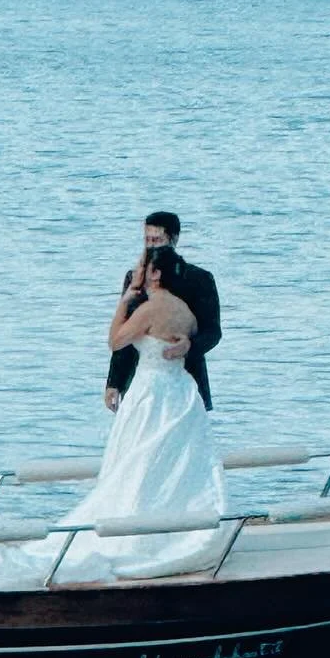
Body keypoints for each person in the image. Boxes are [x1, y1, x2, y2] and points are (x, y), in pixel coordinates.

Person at [61, 244, 228, 581]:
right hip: (181, 393)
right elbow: (197, 339)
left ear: (155, 273)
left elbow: (116, 341)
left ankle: (133, 533)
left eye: (142, 265)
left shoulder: (149, 310)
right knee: (173, 464)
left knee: (138, 461)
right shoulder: (185, 311)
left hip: (151, 393)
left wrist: (124, 302)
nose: (136, 270)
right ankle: (171, 529)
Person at [105, 210, 221, 414]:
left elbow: (212, 331)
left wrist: (190, 345)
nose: (151, 246)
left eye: (157, 240)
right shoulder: (135, 278)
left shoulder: (199, 279)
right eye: (147, 240)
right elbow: (125, 330)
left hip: (187, 375)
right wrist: (114, 382)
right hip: (141, 375)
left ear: (174, 239)